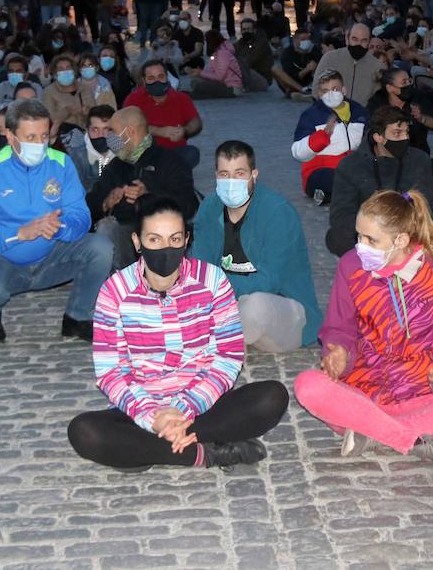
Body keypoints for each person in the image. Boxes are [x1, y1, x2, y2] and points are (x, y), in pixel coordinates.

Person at [66, 194, 289, 471]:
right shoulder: (115, 292)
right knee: (84, 431)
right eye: (154, 240)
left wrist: (184, 409)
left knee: (272, 397)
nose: (165, 248)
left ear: (186, 240)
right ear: (137, 242)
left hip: (202, 406)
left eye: (174, 239)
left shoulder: (213, 280)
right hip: (142, 409)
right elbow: (111, 373)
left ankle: (142, 450)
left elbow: (228, 357)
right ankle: (204, 454)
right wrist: (152, 417)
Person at [295, 190, 433, 467]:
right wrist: (338, 353)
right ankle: (416, 440)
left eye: (371, 239)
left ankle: (371, 432)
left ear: (401, 240)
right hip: (364, 395)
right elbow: (339, 327)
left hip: (424, 396)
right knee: (308, 385)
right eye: (358, 236)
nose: (360, 246)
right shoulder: (351, 265)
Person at [0, 99, 114, 343]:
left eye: (44, 136)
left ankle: (77, 318)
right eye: (30, 138)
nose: (39, 144)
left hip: (51, 254)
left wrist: (59, 227)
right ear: (11, 136)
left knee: (101, 247)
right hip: (4, 259)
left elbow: (81, 215)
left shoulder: (61, 163)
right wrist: (20, 233)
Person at [190, 141, 323, 353]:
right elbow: (199, 267)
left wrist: (214, 287)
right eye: (224, 174)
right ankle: (216, 333)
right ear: (216, 175)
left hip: (282, 311)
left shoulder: (278, 213)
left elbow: (269, 282)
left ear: (254, 175)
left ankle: (208, 335)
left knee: (255, 307)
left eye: (239, 173)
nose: (231, 181)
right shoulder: (209, 208)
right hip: (227, 305)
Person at [85, 106, 198, 267]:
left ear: (130, 131)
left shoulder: (171, 161)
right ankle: (122, 281)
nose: (109, 138)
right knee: (106, 227)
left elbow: (188, 206)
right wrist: (106, 203)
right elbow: (89, 206)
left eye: (113, 132)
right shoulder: (116, 166)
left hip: (162, 237)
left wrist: (149, 194)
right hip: (127, 236)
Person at [326, 106, 433, 255]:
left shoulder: (419, 160)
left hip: (406, 231)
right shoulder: (351, 165)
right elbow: (341, 214)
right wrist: (376, 229)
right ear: (378, 137)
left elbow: (426, 207)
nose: (405, 138)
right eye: (397, 133)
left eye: (406, 132)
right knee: (337, 237)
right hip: (368, 231)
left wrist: (397, 228)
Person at [292, 70, 368, 205]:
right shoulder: (311, 115)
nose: (331, 94)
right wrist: (321, 137)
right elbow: (298, 152)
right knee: (336, 180)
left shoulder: (359, 112)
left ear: (343, 90)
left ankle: (336, 196)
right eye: (325, 91)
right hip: (320, 168)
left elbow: (369, 140)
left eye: (335, 89)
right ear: (320, 94)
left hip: (353, 166)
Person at [123, 59, 203, 159]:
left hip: (174, 149)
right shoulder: (133, 99)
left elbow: (196, 122)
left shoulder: (181, 97)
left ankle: (161, 170)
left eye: (161, 76)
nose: (157, 81)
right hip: (144, 150)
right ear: (144, 80)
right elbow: (126, 127)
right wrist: (160, 131)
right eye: (151, 78)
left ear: (167, 78)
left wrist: (185, 130)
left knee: (192, 153)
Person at [367, 68, 433, 156]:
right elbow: (371, 132)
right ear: (390, 88)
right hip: (389, 153)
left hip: (418, 152)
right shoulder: (376, 103)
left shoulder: (417, 97)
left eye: (409, 81)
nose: (408, 85)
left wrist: (422, 118)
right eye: (404, 82)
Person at [42, 54, 117, 138]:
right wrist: (66, 111)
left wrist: (87, 112)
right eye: (61, 69)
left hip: (86, 134)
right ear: (55, 73)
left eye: (68, 67)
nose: (65, 71)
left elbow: (94, 114)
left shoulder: (84, 89)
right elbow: (49, 118)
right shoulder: (48, 92)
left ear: (73, 70)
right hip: (62, 136)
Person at [316, 23, 385, 107]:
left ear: (369, 42)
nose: (359, 44)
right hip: (330, 113)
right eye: (354, 39)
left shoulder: (378, 67)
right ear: (347, 39)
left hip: (362, 117)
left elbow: (379, 98)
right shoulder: (329, 59)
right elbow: (316, 89)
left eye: (364, 40)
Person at [64, 104, 117, 194]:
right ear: (87, 130)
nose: (100, 135)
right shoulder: (77, 155)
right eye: (95, 129)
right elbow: (76, 193)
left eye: (106, 129)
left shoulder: (123, 149)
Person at [190, 30, 247, 99]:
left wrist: (201, 73)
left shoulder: (223, 54)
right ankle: (192, 95)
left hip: (232, 88)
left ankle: (191, 95)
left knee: (199, 85)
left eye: (206, 41)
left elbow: (219, 76)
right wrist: (200, 73)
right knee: (197, 82)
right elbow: (212, 71)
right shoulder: (217, 53)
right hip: (224, 84)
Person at [275, 26, 321, 98]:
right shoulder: (287, 53)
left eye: (308, 39)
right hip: (293, 83)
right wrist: (306, 70)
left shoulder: (314, 50)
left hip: (311, 82)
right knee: (276, 69)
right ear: (295, 40)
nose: (307, 41)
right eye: (303, 39)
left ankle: (305, 93)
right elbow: (291, 76)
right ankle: (303, 91)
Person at [233, 18, 275, 92]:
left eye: (249, 29)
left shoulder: (261, 43)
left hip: (262, 78)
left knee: (240, 63)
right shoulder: (239, 44)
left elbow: (249, 61)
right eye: (244, 29)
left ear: (254, 30)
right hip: (248, 74)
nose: (246, 31)